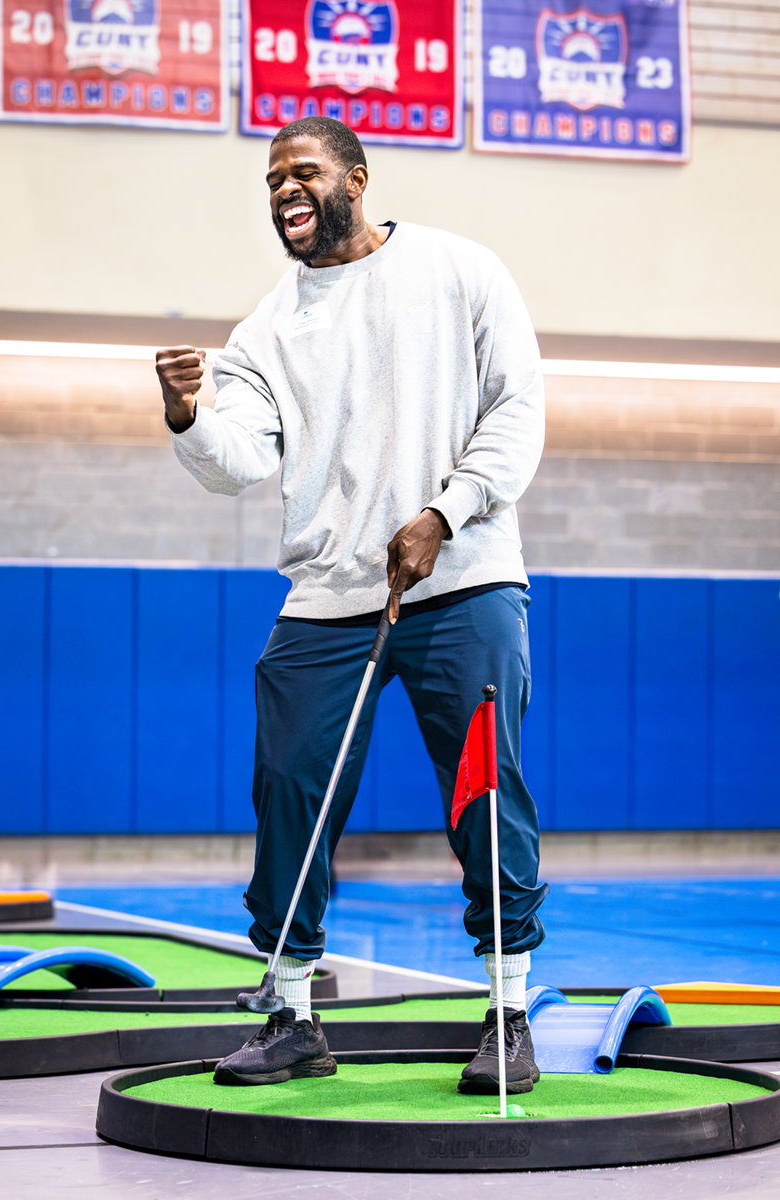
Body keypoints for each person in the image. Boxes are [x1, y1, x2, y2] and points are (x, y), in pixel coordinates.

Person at [156, 116, 548, 1095]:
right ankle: (291, 1014)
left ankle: (506, 1012)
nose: (284, 190)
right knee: (290, 786)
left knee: (480, 790)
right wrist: (190, 413)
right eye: (272, 180)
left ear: (355, 179)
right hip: (326, 596)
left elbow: (517, 408)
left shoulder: (461, 272)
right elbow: (238, 461)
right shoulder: (266, 329)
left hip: (462, 582)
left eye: (303, 172)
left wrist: (444, 513)